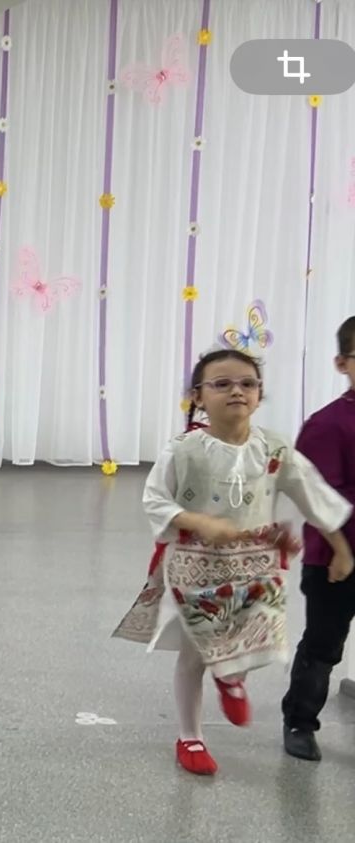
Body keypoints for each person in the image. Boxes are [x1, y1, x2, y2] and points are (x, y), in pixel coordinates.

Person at [112, 348, 353, 776]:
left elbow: (312, 493)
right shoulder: (184, 450)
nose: (236, 391)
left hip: (256, 568)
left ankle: (230, 675)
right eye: (222, 384)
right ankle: (190, 736)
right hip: (196, 566)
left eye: (247, 383)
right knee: (195, 653)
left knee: (258, 641)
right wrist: (198, 521)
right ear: (198, 396)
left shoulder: (274, 448)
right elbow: (155, 499)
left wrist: (340, 545)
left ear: (259, 394)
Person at [281, 316, 355, 761]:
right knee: (324, 644)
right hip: (337, 557)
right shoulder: (327, 425)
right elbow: (317, 497)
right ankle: (300, 720)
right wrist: (342, 551)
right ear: (342, 363)